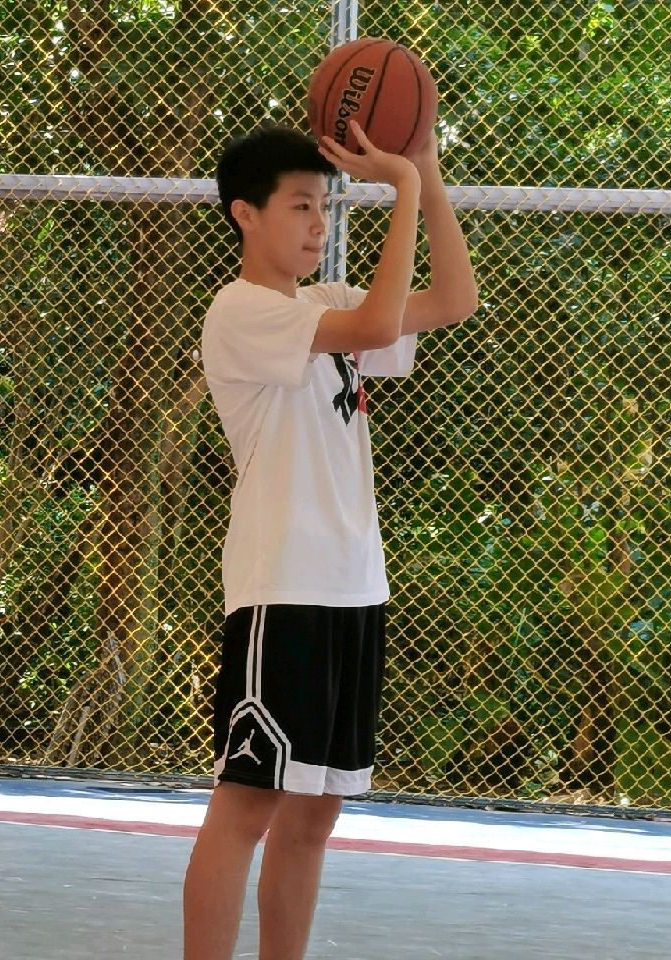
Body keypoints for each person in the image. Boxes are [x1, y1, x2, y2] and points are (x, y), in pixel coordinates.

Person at [184, 118, 478, 960]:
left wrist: (425, 170)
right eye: (302, 206)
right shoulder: (240, 309)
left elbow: (453, 301)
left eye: (326, 206)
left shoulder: (328, 302)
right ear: (246, 215)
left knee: (314, 816)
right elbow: (381, 326)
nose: (319, 223)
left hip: (354, 587)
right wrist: (403, 189)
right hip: (284, 588)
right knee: (247, 805)